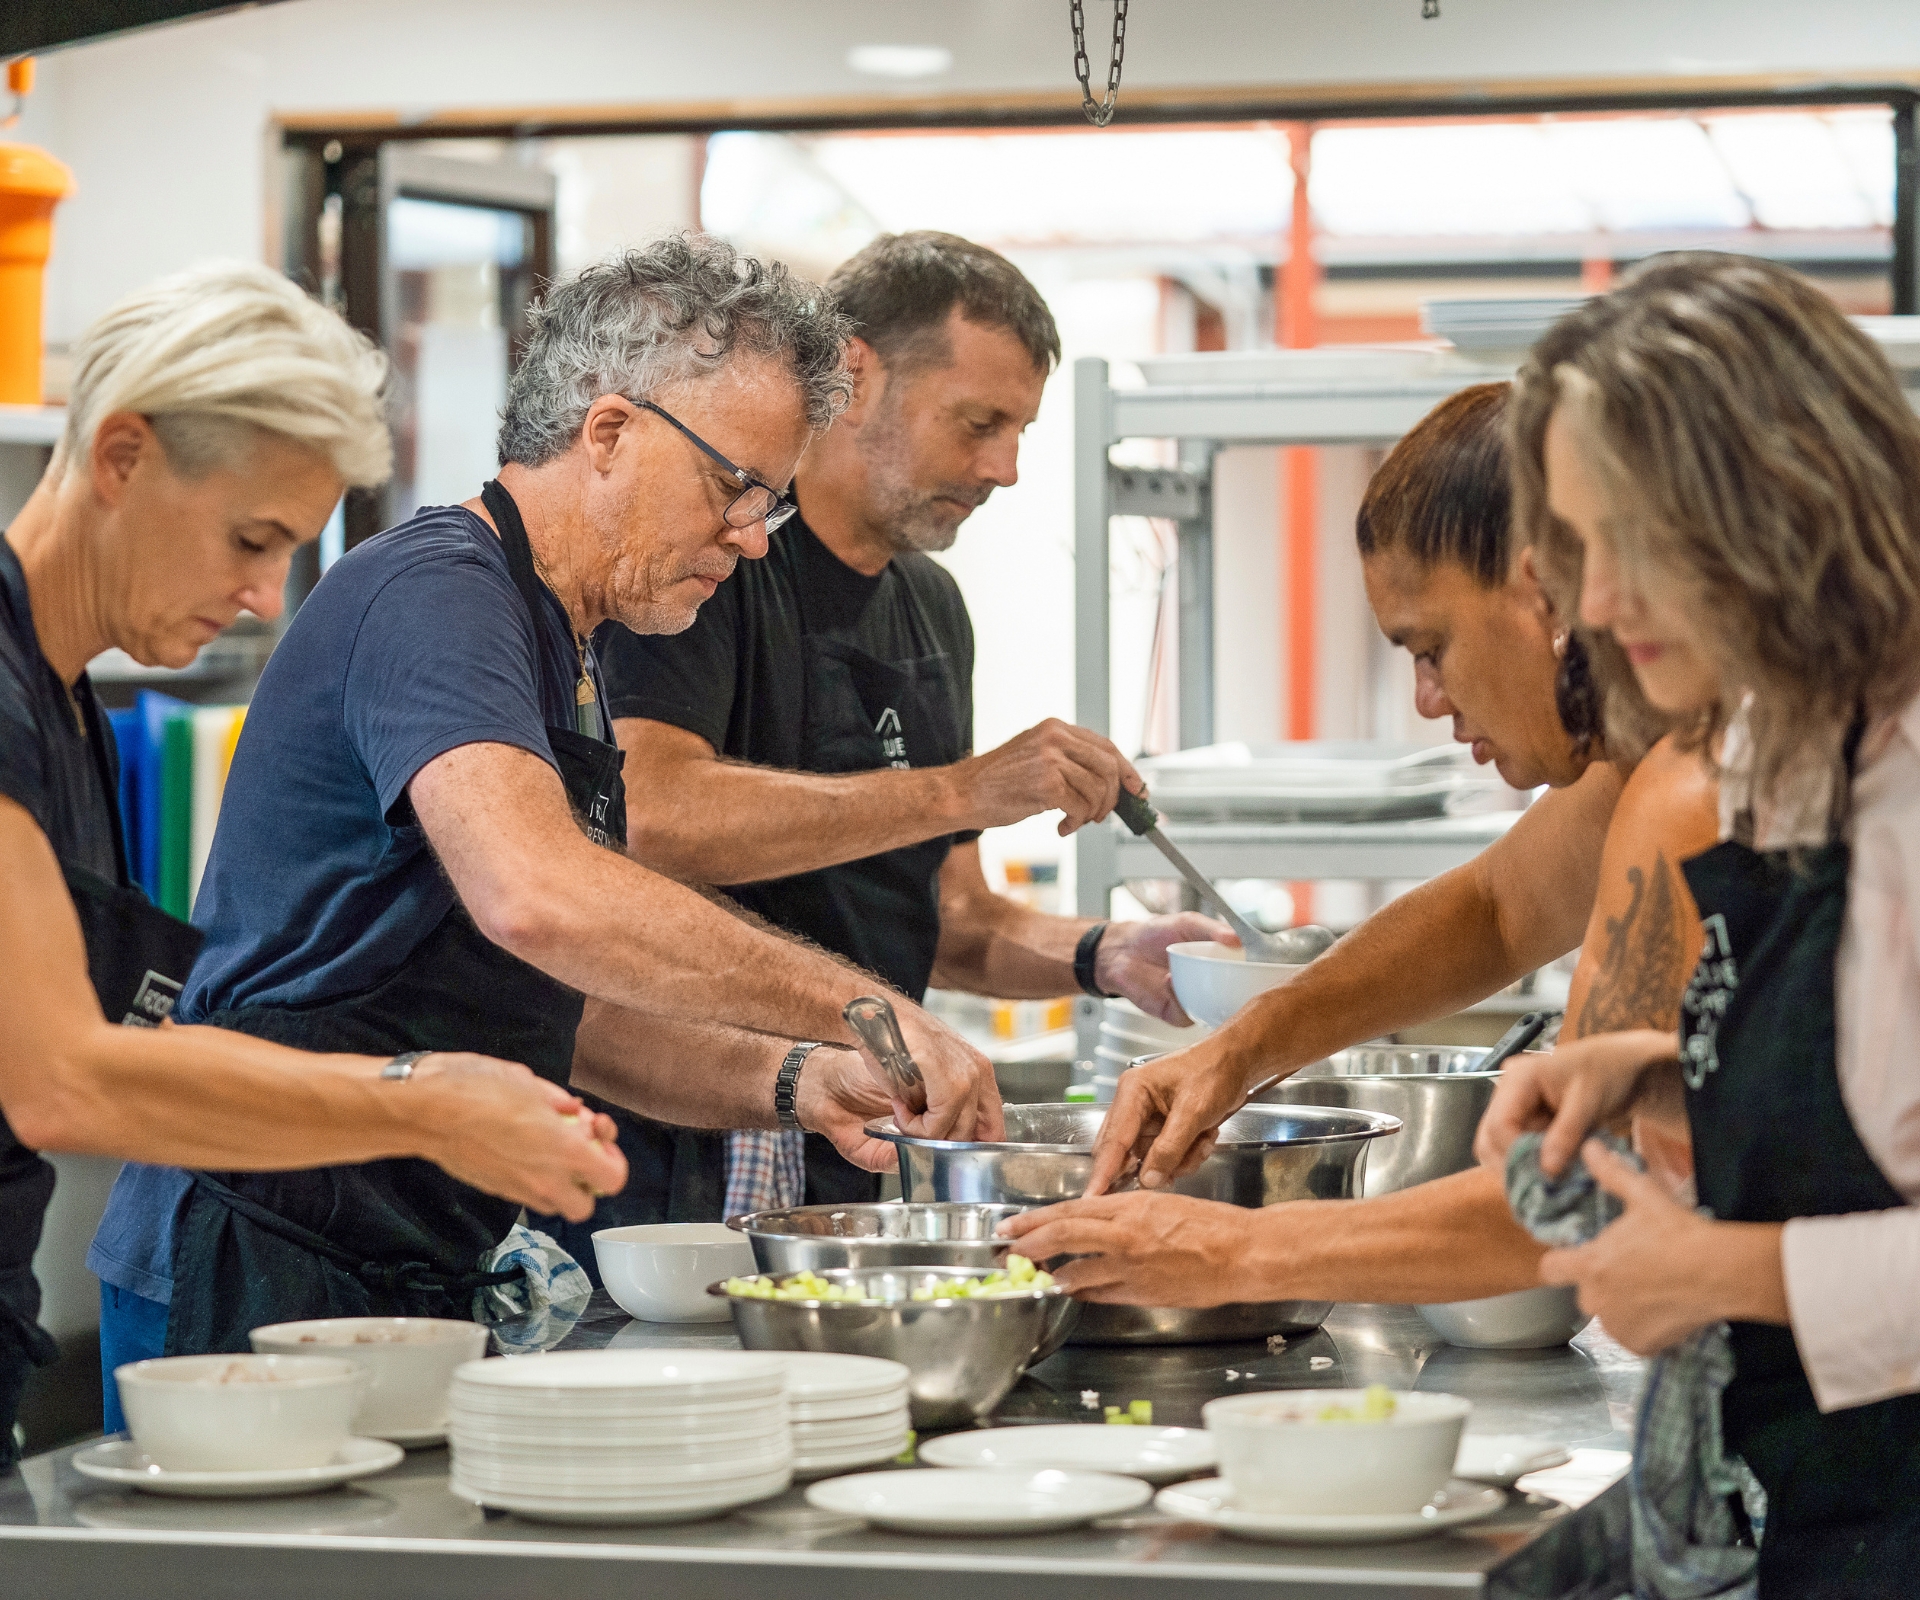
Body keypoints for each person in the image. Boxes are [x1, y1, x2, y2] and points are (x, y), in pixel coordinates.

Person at [90, 237, 1002, 1366]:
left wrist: (796, 1080)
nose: (755, 538)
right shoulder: (437, 594)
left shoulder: (567, 648)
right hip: (258, 1249)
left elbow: (573, 1012)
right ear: (609, 431)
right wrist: (867, 1008)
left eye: (770, 501)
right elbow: (540, 898)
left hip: (406, 1258)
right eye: (736, 488)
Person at [0, 261, 626, 1463]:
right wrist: (424, 1105)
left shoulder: (65, 699)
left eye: (290, 545)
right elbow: (63, 1080)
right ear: (121, 456)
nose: (259, 594)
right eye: (249, 537)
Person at [1002, 380, 1712, 1303]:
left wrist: (1234, 1253)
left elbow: (1573, 1189)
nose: (1427, 697)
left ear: (1543, 590)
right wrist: (1240, 1053)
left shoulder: (1691, 785)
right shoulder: (1643, 767)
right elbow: (1492, 912)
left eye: (1431, 646)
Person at [594, 231, 1222, 1219]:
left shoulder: (932, 606)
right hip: (691, 1138)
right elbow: (655, 809)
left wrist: (1106, 953)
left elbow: (951, 921)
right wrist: (963, 788)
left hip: (870, 1132)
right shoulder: (715, 563)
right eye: (978, 423)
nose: (1005, 467)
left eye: (1018, 432)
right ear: (855, 371)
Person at [1478, 253, 1920, 1595]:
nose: (1597, 604)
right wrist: (1671, 1064)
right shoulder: (1803, 744)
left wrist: (1721, 1271)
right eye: (1579, 545)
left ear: (1782, 498)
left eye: (1637, 541)